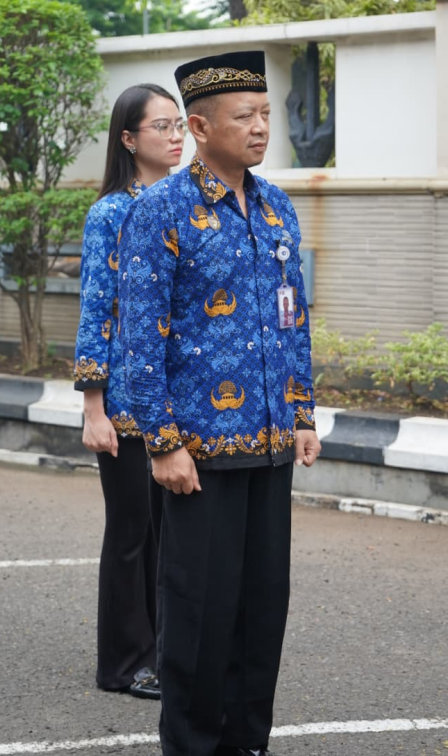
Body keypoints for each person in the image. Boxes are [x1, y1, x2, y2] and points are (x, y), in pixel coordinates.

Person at [118, 51, 321, 755]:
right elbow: (140, 336)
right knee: (199, 613)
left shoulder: (276, 206)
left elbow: (294, 316)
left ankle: (247, 743)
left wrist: (302, 412)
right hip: (198, 451)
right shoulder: (161, 211)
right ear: (200, 127)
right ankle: (194, 745)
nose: (262, 127)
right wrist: (163, 440)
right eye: (245, 116)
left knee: (262, 609)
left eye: (265, 113)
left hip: (271, 443)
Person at [73, 83, 185, 699]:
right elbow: (97, 310)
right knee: (131, 532)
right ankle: (122, 664)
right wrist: (93, 407)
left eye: (179, 125)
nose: (174, 136)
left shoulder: (183, 205)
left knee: (169, 536)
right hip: (121, 402)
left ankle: (163, 652)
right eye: (160, 126)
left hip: (174, 399)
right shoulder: (111, 213)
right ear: (128, 139)